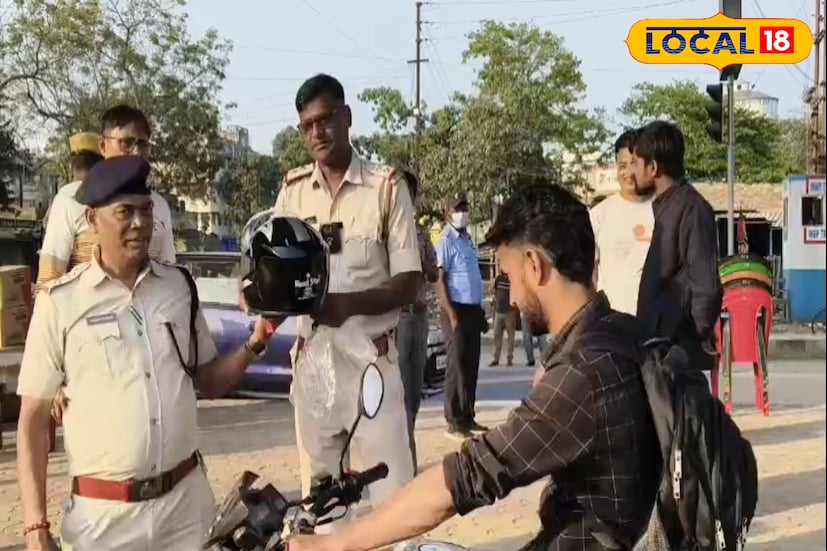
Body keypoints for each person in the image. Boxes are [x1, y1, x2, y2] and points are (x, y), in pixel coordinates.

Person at [288, 182, 660, 551]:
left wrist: (336, 544)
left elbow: (469, 476)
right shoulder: (623, 331)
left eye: (510, 277)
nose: (511, 298)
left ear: (535, 264)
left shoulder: (581, 374)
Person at [16, 156, 278, 551]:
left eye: (146, 210)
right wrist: (36, 526)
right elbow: (33, 421)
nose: (140, 224)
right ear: (92, 220)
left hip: (185, 509)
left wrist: (256, 341)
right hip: (102, 521)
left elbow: (207, 381)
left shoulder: (178, 287)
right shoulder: (60, 303)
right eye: (124, 212)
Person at [272, 73, 421, 522]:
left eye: (324, 120)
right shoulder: (292, 191)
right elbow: (276, 270)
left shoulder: (386, 187)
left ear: (346, 117)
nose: (316, 133)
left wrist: (349, 304)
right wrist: (262, 292)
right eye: (307, 126)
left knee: (390, 499)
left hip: (371, 366)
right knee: (321, 505)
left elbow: (410, 281)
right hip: (315, 368)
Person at [42, 105, 178, 437]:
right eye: (126, 142)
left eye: (143, 144)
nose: (135, 152)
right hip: (90, 350)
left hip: (151, 349)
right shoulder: (70, 201)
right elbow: (48, 282)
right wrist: (53, 375)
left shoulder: (158, 205)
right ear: (103, 147)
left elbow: (173, 280)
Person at [630, 120, 723, 372]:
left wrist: (684, 346)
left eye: (635, 164)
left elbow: (707, 288)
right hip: (657, 350)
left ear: (653, 167)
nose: (631, 173)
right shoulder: (667, 208)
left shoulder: (692, 209)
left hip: (674, 357)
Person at [395, 169, 438, 472]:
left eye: (409, 192)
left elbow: (434, 271)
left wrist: (421, 262)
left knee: (414, 393)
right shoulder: (385, 233)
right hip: (395, 319)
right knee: (397, 393)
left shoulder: (420, 233)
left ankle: (407, 450)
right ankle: (402, 459)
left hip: (419, 317)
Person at [435, 195, 487, 441]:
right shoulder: (445, 241)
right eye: (458, 209)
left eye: (465, 208)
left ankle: (468, 415)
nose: (463, 212)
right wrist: (451, 313)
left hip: (472, 309)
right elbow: (439, 280)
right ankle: (453, 420)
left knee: (471, 364)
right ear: (447, 213)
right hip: (454, 309)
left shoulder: (467, 239)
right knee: (456, 364)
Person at [589, 129, 655, 315]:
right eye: (622, 165)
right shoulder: (599, 216)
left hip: (659, 330)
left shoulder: (666, 210)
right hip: (613, 328)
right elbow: (590, 278)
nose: (628, 172)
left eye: (634, 164)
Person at [489, 271, 516, 367]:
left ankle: (509, 358)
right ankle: (495, 359)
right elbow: (494, 290)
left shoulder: (513, 278)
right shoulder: (499, 278)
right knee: (496, 335)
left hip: (510, 312)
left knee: (510, 337)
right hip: (498, 311)